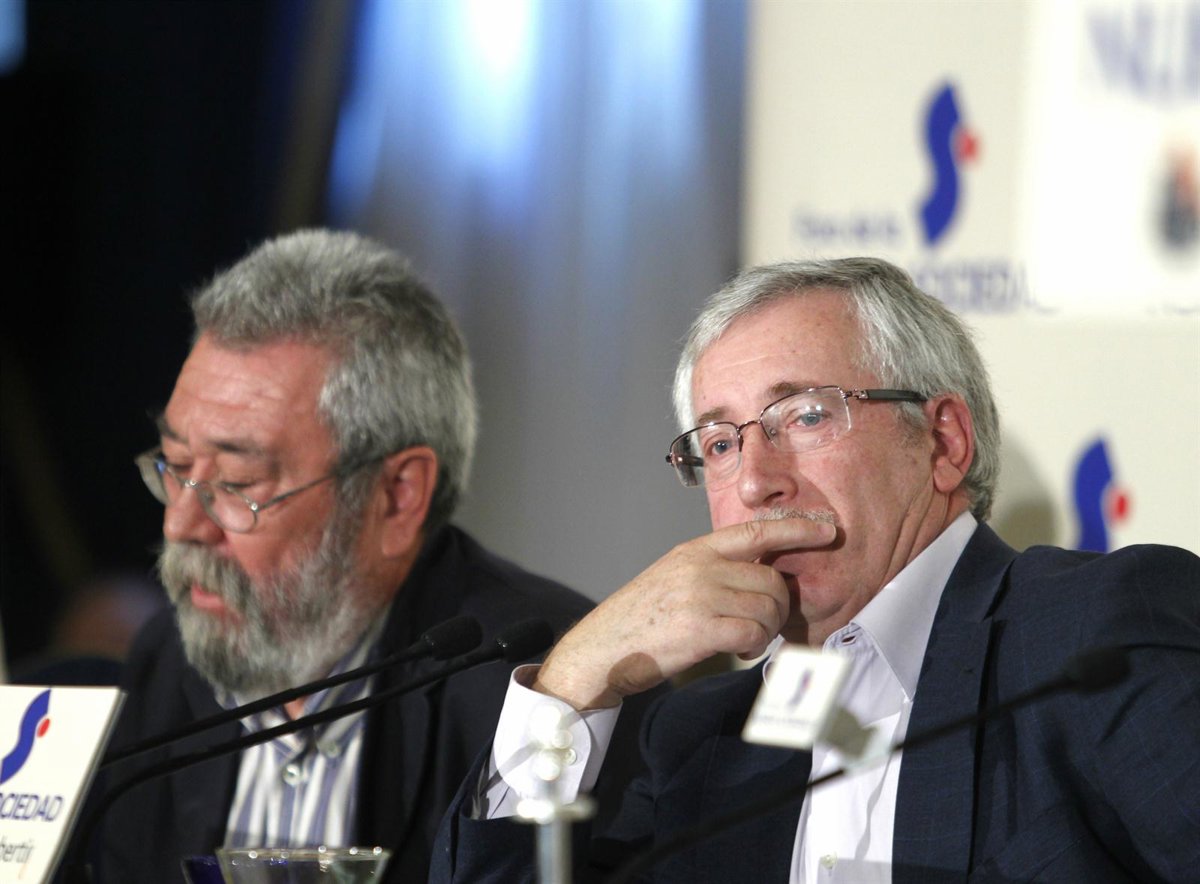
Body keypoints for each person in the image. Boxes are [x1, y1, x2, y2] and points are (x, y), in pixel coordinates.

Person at [432, 257, 1200, 882]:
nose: (754, 482)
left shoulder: (1094, 636)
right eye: (721, 443)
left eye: (804, 416)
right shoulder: (703, 738)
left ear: (943, 442)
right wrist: (574, 682)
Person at [82, 230, 649, 884]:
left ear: (396, 496)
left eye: (236, 485)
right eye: (176, 465)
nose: (180, 524)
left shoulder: (546, 690)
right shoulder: (168, 662)